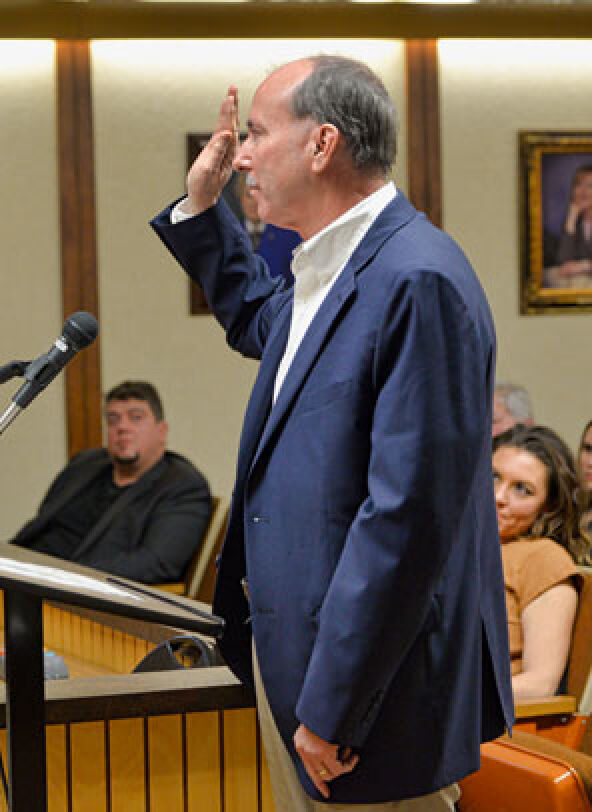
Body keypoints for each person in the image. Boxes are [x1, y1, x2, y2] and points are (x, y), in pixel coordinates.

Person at [150, 55, 512, 809]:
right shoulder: (333, 265)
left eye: (256, 134)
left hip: (366, 697)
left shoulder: (416, 278)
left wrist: (337, 704)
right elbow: (259, 319)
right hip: (303, 665)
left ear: (321, 145)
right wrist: (204, 207)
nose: (240, 155)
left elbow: (408, 518)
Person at [10, 381, 212, 584]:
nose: (122, 427)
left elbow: (156, 563)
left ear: (162, 431)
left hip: (75, 589)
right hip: (22, 571)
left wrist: (66, 574)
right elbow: (42, 522)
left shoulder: (182, 486)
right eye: (113, 419)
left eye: (136, 418)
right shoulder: (85, 463)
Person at [492, 425, 587, 701]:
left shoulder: (544, 558)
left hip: (479, 717)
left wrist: (447, 703)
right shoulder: (453, 542)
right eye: (493, 477)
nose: (498, 497)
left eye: (522, 489)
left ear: (549, 506)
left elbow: (540, 684)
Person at [233, 170, 301, 286]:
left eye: (259, 194)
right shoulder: (230, 237)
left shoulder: (289, 236)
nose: (254, 202)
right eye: (249, 195)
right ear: (240, 198)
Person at [546, 164, 592, 288]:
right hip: (581, 280)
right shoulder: (575, 221)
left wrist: (583, 266)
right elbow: (563, 261)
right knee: (550, 275)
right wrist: (571, 220)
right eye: (578, 185)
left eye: (589, 186)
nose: (582, 191)